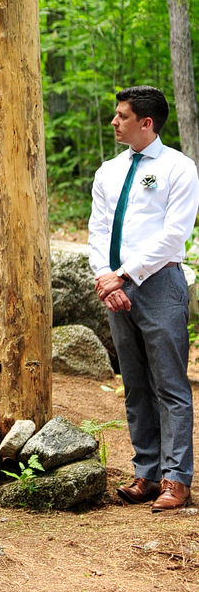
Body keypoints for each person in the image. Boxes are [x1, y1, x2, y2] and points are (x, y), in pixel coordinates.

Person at [88, 86, 199, 513]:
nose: (114, 122)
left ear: (146, 123)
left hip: (159, 285)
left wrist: (123, 275)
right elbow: (98, 229)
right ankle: (147, 473)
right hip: (116, 289)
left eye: (122, 116)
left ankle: (177, 479)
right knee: (135, 386)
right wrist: (105, 278)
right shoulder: (108, 172)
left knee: (170, 384)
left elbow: (175, 233)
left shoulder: (178, 168)